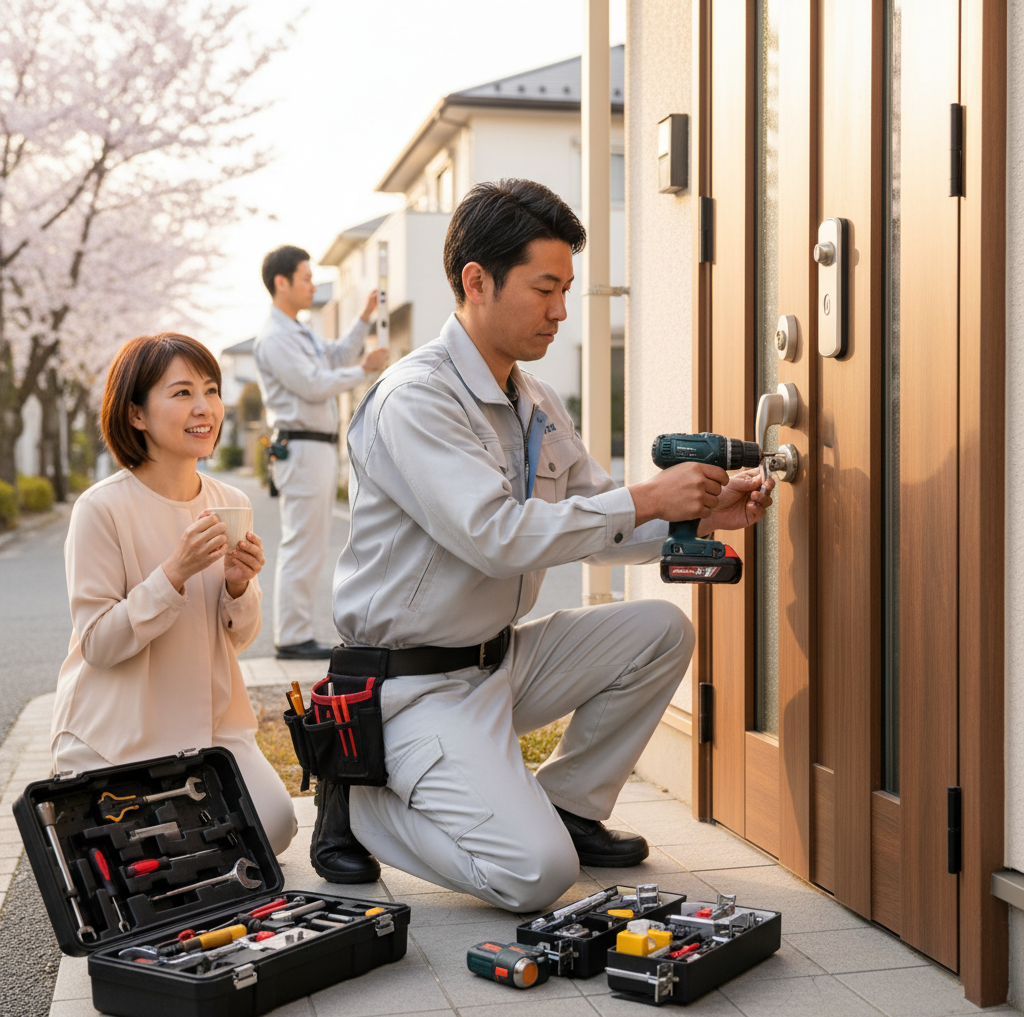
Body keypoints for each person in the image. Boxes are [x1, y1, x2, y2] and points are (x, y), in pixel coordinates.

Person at [318, 179, 773, 905]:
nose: (562, 310)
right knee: (536, 875)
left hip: (498, 662)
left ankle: (569, 808)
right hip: (412, 686)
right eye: (545, 288)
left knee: (658, 629)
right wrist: (648, 495)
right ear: (476, 281)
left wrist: (699, 515)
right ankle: (362, 800)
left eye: (566, 288)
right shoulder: (417, 400)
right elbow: (495, 539)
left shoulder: (533, 402)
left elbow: (598, 518)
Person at [50, 333, 297, 855]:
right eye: (182, 393)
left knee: (275, 826)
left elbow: (241, 637)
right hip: (120, 728)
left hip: (209, 726)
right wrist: (174, 573)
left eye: (211, 389)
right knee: (155, 848)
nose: (204, 407)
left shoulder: (230, 501)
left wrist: (238, 585)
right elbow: (99, 644)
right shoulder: (102, 509)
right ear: (136, 414)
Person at [253, 246, 389, 660]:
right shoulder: (275, 337)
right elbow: (314, 383)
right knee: (301, 545)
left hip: (315, 447)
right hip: (302, 445)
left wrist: (364, 318)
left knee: (310, 545)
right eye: (306, 278)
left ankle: (295, 634)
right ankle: (291, 638)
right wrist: (364, 370)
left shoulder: (298, 329)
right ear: (282, 282)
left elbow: (334, 357)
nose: (313, 285)